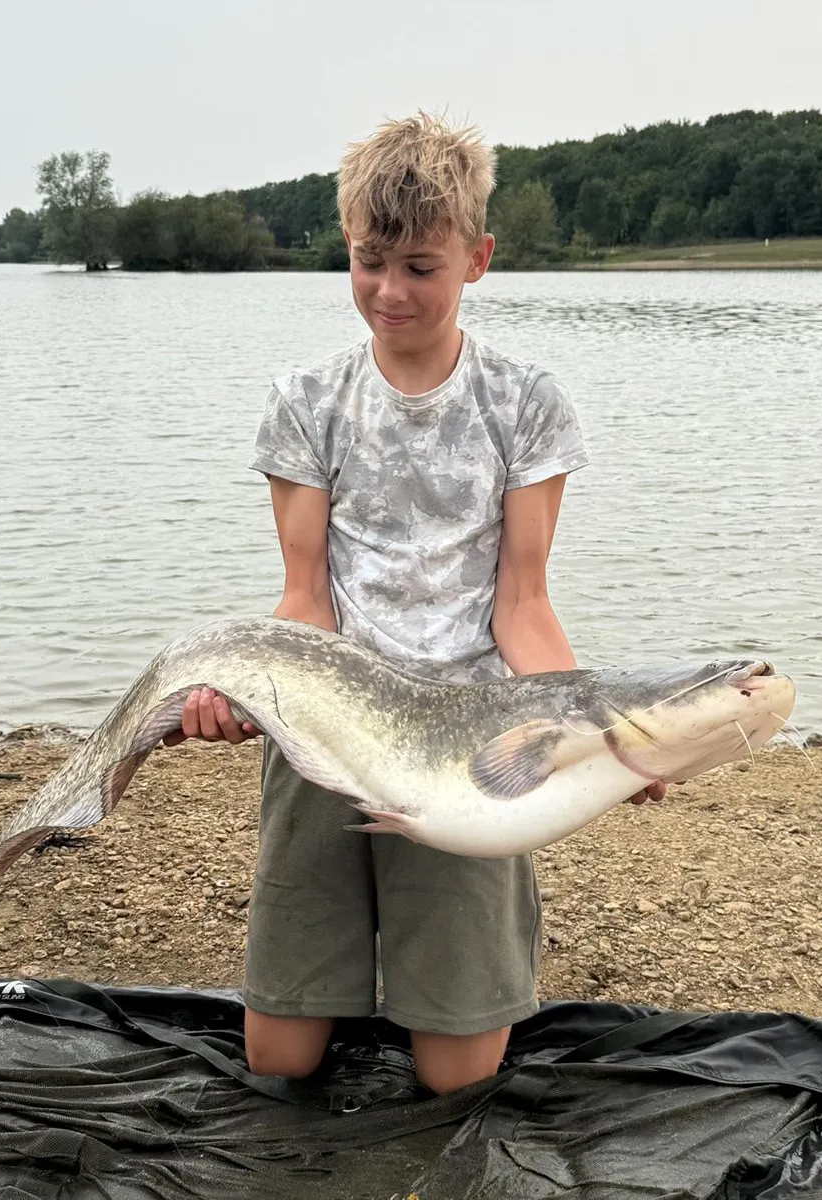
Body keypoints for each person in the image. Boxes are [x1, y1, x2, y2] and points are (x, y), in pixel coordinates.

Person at [165, 112, 664, 1095]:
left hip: (472, 745)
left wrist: (603, 740)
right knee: (279, 1060)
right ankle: (336, 976)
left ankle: (437, 989)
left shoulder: (525, 402)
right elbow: (304, 599)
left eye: (420, 268)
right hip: (325, 726)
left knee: (456, 1077)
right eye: (368, 262)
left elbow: (524, 604)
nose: (390, 292)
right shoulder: (308, 399)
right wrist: (240, 693)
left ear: (478, 258)